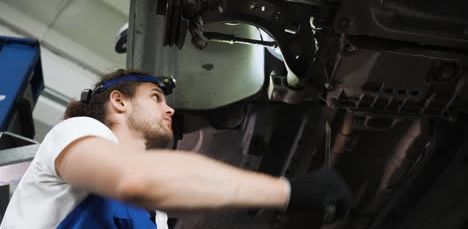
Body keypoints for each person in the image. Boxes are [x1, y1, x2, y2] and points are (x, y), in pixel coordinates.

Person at [0, 69, 352, 228]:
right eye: (156, 97)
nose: (170, 109)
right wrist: (288, 191)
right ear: (119, 102)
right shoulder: (77, 132)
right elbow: (137, 181)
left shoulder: (159, 218)